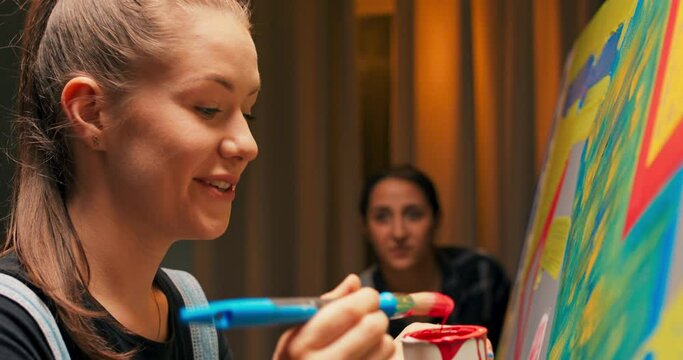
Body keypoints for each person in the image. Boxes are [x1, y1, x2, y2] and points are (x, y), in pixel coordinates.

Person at [0, 1, 396, 359]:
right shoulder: (12, 324)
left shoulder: (193, 317)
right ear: (91, 112)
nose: (247, 144)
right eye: (208, 108)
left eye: (249, 113)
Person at [359, 164, 511, 348]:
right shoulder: (361, 304)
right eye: (382, 217)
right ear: (365, 227)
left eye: (413, 215)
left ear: (436, 219)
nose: (398, 233)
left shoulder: (481, 274)